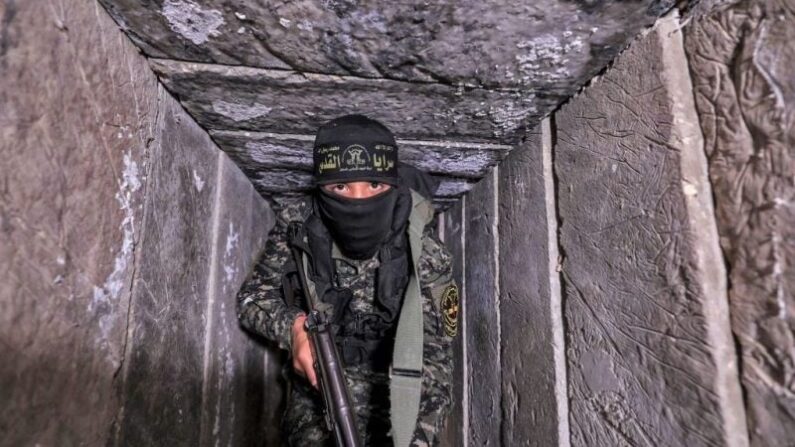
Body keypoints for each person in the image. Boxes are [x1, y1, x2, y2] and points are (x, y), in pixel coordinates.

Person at [236, 114, 460, 446]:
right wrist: (293, 329)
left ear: (393, 184)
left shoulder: (425, 252)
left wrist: (419, 438)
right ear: (321, 188)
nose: (357, 201)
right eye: (340, 186)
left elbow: (437, 357)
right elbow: (252, 298)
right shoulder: (298, 227)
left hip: (399, 386)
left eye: (374, 185)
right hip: (318, 388)